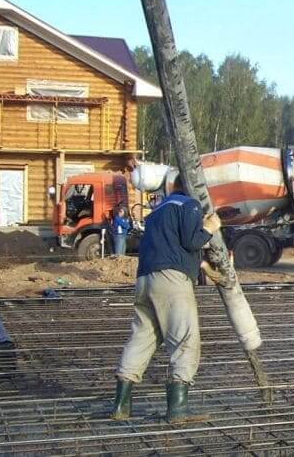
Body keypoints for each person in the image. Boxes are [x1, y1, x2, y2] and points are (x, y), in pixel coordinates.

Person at [109, 174, 221, 424]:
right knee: (184, 339)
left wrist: (202, 266)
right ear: (191, 187)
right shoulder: (189, 204)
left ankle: (120, 406)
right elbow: (192, 241)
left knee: (142, 338)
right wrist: (210, 228)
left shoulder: (158, 211)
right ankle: (178, 409)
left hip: (145, 280)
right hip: (172, 283)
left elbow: (172, 247)